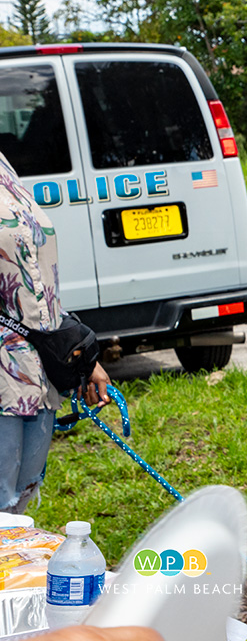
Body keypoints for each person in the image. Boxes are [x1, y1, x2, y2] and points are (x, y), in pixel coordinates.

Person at [0, 152, 110, 516]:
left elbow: (34, 277)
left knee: (19, 501)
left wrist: (79, 354)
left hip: (34, 374)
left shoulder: (5, 168)